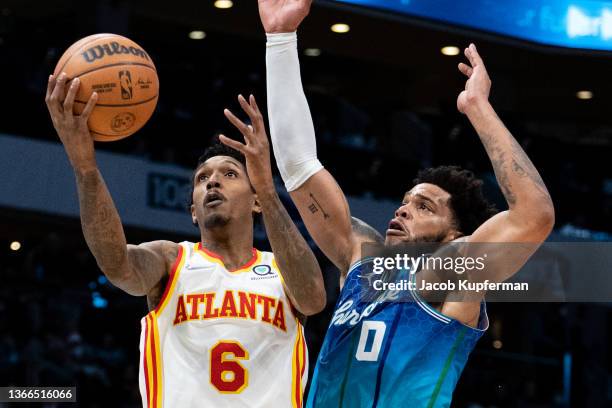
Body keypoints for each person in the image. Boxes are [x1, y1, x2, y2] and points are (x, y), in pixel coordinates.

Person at [257, 0, 555, 406]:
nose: (402, 211)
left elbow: (534, 216)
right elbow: (298, 168)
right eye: (405, 202)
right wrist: (280, 40)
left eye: (424, 207)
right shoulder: (362, 259)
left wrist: (478, 109)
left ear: (454, 233)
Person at [45, 72, 325, 407]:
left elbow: (312, 299)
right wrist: (85, 167)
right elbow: (117, 266)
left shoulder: (282, 268)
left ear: (255, 202)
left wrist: (267, 188)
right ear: (193, 210)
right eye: (203, 178)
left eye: (230, 174)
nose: (213, 183)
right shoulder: (171, 260)